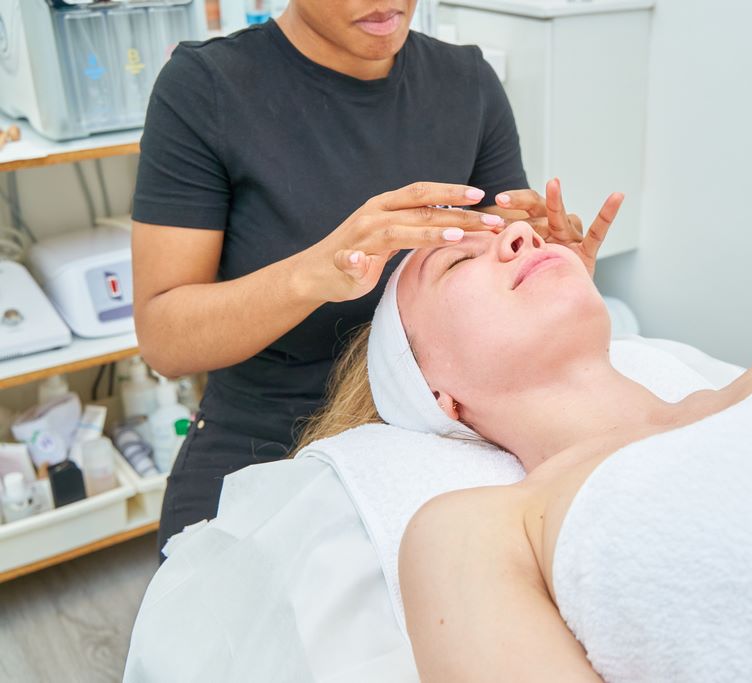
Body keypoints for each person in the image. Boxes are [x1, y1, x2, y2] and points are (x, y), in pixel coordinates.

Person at [298, 220, 752, 681]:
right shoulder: (475, 530)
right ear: (438, 394)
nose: (519, 235)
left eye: (516, 230)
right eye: (457, 265)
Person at [130, 0, 623, 554]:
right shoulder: (208, 88)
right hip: (265, 434)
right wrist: (315, 273)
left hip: (443, 427)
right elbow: (164, 340)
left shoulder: (467, 83)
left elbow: (497, 254)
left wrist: (548, 272)